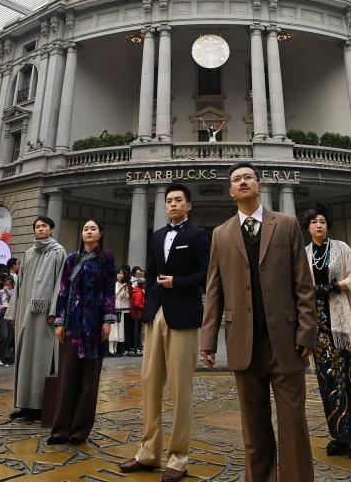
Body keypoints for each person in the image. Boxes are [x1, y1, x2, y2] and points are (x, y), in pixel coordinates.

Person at [200, 162, 316, 482]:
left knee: (293, 423)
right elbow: (214, 290)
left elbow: (303, 284)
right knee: (253, 427)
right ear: (230, 191)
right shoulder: (221, 234)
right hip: (243, 341)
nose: (242, 182)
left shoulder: (287, 224)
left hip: (286, 341)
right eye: (236, 179)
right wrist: (208, 340)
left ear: (259, 185)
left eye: (248, 177)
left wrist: (307, 332)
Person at [120, 183, 210, 481]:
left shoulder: (198, 236)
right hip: (155, 314)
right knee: (150, 382)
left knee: (180, 387)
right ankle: (148, 452)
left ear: (188, 205)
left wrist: (177, 283)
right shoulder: (157, 235)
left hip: (183, 316)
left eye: (178, 200)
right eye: (169, 200)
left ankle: (178, 457)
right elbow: (149, 272)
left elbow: (206, 274)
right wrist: (151, 304)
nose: (172, 204)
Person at [303, 203, 351, 460]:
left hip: (343, 322)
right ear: (308, 227)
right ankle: (337, 436)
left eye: (322, 221)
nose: (318, 225)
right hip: (319, 324)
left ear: (327, 225)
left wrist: (335, 286)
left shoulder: (341, 247)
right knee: (328, 380)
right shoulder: (305, 253)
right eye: (314, 222)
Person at [49, 219, 117, 445]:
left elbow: (109, 291)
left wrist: (108, 320)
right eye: (85, 229)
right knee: (66, 378)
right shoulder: (71, 259)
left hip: (95, 328)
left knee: (89, 381)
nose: (89, 232)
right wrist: (60, 322)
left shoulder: (106, 259)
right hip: (72, 326)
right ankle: (60, 430)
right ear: (81, 234)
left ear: (100, 234)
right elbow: (63, 290)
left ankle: (79, 431)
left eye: (93, 229)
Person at [9, 216, 67, 422]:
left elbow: (61, 284)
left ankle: (40, 406)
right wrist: (13, 312)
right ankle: (24, 403)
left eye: (44, 226)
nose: (40, 229)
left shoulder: (58, 252)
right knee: (23, 358)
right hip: (24, 312)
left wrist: (54, 311)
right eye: (37, 226)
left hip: (44, 316)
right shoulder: (28, 253)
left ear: (51, 229)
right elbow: (19, 285)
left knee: (41, 359)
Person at [108, 268, 130, 356]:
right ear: (116, 275)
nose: (121, 275)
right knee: (113, 328)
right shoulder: (114, 284)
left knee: (119, 328)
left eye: (122, 274)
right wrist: (121, 289)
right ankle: (110, 349)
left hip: (120, 309)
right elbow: (114, 294)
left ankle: (115, 349)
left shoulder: (122, 284)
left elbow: (125, 297)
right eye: (119, 273)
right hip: (114, 308)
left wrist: (125, 291)